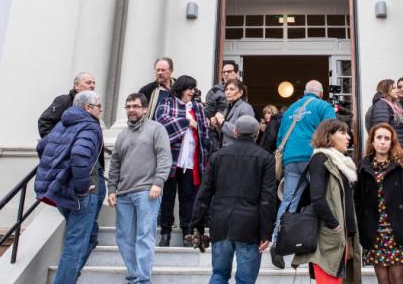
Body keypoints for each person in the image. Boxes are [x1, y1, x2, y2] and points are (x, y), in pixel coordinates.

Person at [191, 114, 278, 284]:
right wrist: (267, 232)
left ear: (236, 132)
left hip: (221, 222)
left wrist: (197, 224)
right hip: (250, 226)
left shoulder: (218, 156)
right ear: (256, 134)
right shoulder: (266, 158)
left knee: (219, 275)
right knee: (245, 280)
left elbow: (204, 193)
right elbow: (268, 198)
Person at [35, 90, 105, 284]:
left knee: (90, 235)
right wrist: (84, 186)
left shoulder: (63, 124)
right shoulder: (90, 126)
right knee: (75, 246)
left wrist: (57, 171)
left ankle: (69, 278)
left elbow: (42, 148)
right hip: (81, 194)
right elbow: (79, 156)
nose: (101, 109)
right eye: (99, 106)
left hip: (63, 192)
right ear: (88, 108)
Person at [270, 80, 337, 268]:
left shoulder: (290, 109)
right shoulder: (323, 106)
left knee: (289, 200)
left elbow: (280, 138)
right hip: (314, 157)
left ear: (305, 92)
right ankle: (323, 241)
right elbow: (333, 131)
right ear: (321, 93)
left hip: (291, 159)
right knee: (323, 197)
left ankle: (277, 241)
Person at [107, 92, 172, 284]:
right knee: (124, 237)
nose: (131, 110)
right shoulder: (122, 135)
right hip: (124, 194)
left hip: (147, 191)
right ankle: (134, 275)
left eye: (135, 106)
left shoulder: (156, 129)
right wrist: (112, 189)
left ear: (145, 109)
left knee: (144, 236)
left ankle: (143, 280)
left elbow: (164, 158)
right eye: (128, 106)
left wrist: (158, 183)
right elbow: (115, 164)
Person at [291, 119, 361, 284]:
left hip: (343, 235)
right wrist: (335, 225)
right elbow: (317, 197)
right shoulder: (320, 158)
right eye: (342, 133)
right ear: (329, 136)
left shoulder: (341, 163)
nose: (348, 137)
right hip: (329, 236)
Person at [356, 123, 403, 284]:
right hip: (375, 232)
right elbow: (356, 198)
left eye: (387, 138)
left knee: (398, 279)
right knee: (383, 280)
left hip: (398, 230)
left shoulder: (402, 165)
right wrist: (362, 223)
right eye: (379, 137)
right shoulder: (363, 167)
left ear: (392, 142)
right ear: (372, 141)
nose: (383, 141)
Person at [154, 75, 211, 247]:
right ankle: (165, 232)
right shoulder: (167, 102)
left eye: (194, 90)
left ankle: (187, 232)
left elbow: (204, 130)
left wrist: (205, 150)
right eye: (189, 89)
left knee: (188, 198)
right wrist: (186, 122)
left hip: (190, 159)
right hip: (171, 159)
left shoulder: (197, 107)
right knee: (168, 197)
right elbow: (161, 121)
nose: (192, 93)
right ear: (181, 88)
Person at [38, 71, 96, 138]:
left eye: (94, 83)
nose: (92, 86)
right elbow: (44, 121)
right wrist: (54, 142)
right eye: (88, 83)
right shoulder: (64, 101)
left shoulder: (93, 106)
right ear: (76, 85)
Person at [368, 79, 403, 152]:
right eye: (394, 88)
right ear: (386, 90)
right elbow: (381, 130)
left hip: (401, 149)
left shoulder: (395, 106)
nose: (397, 90)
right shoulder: (382, 105)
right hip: (393, 150)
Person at [218, 79, 256, 147]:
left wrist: (222, 122)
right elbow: (224, 130)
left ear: (240, 93)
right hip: (226, 150)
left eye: (231, 89)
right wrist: (216, 124)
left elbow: (242, 132)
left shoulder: (245, 108)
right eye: (226, 89)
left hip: (238, 151)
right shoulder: (227, 108)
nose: (227, 92)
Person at [206, 60, 240, 127]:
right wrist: (211, 119)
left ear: (236, 73)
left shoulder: (242, 89)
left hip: (239, 128)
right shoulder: (215, 91)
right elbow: (208, 113)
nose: (226, 74)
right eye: (224, 72)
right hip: (220, 129)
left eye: (229, 72)